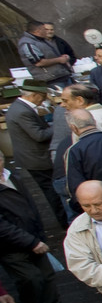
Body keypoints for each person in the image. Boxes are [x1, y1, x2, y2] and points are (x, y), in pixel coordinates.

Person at [0, 154, 77, 303]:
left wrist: (38, 235)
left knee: (47, 276)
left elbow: (30, 206)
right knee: (30, 279)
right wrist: (31, 242)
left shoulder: (13, 177)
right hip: (11, 247)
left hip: (33, 237)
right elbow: (2, 227)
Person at [5, 81, 62, 228]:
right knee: (52, 192)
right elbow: (39, 135)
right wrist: (58, 124)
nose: (44, 99)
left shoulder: (20, 107)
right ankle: (64, 222)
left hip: (32, 158)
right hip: (36, 160)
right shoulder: (22, 111)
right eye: (42, 96)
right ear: (34, 95)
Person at [17, 20, 73, 84]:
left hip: (61, 74)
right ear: (37, 31)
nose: (47, 32)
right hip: (50, 79)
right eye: (45, 29)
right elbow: (39, 62)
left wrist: (64, 58)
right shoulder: (27, 43)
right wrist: (59, 60)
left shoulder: (42, 40)